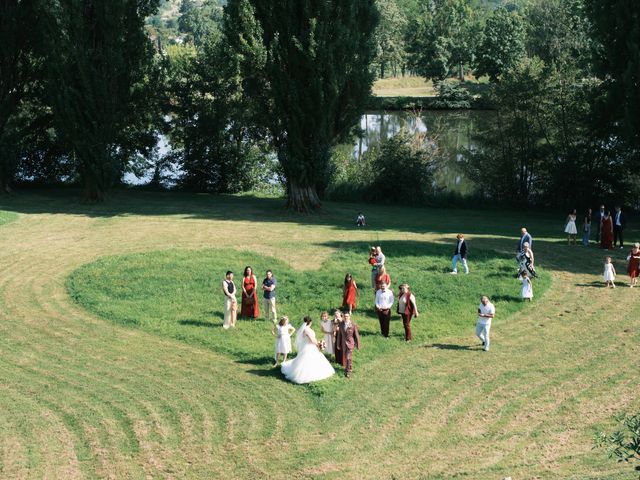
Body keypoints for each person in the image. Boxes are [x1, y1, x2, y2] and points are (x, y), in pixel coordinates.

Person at [281, 317, 335, 384]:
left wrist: (318, 343)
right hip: (309, 347)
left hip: (310, 346)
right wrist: (318, 344)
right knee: (307, 360)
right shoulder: (306, 330)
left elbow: (313, 338)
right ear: (310, 322)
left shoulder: (307, 329)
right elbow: (312, 340)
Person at [335, 312, 361, 378]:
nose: (346, 317)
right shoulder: (341, 324)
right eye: (345, 316)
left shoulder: (353, 325)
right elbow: (339, 336)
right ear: (343, 317)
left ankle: (347, 371)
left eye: (347, 316)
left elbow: (356, 335)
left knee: (347, 357)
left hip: (351, 343)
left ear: (349, 317)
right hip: (343, 343)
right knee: (347, 357)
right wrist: (338, 344)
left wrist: (358, 344)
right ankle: (350, 367)